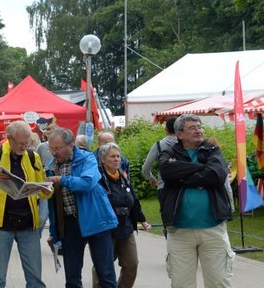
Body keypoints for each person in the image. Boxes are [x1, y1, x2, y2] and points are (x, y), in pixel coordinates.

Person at [0, 121, 52, 288]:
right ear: (9, 138)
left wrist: (47, 191)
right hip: (0, 225)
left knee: (35, 279)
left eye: (26, 142)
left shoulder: (33, 156)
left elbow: (42, 189)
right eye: (20, 142)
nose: (24, 146)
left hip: (28, 223)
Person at [158, 114, 234, 287]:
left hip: (213, 229)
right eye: (192, 128)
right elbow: (167, 172)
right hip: (179, 232)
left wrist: (182, 177)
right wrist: (202, 168)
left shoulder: (212, 150)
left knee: (219, 283)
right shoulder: (168, 153)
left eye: (199, 127)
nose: (198, 130)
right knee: (181, 284)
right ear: (179, 134)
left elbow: (215, 175)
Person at [44, 127, 118, 288]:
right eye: (51, 148)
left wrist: (61, 180)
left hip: (96, 220)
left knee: (105, 274)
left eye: (58, 148)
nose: (54, 152)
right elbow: (52, 203)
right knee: (72, 277)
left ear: (71, 145)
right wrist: (53, 231)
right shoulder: (51, 166)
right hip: (70, 225)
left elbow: (87, 183)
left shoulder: (87, 159)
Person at [92, 142, 152, 288]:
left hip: (125, 227)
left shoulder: (123, 177)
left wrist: (142, 220)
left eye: (118, 156)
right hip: (105, 229)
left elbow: (133, 200)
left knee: (131, 265)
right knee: (103, 267)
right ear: (102, 159)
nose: (117, 159)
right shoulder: (97, 178)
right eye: (112, 156)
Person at [141, 117, 177, 198]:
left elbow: (145, 168)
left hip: (163, 186)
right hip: (182, 186)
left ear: (166, 129)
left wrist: (151, 178)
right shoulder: (186, 143)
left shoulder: (158, 145)